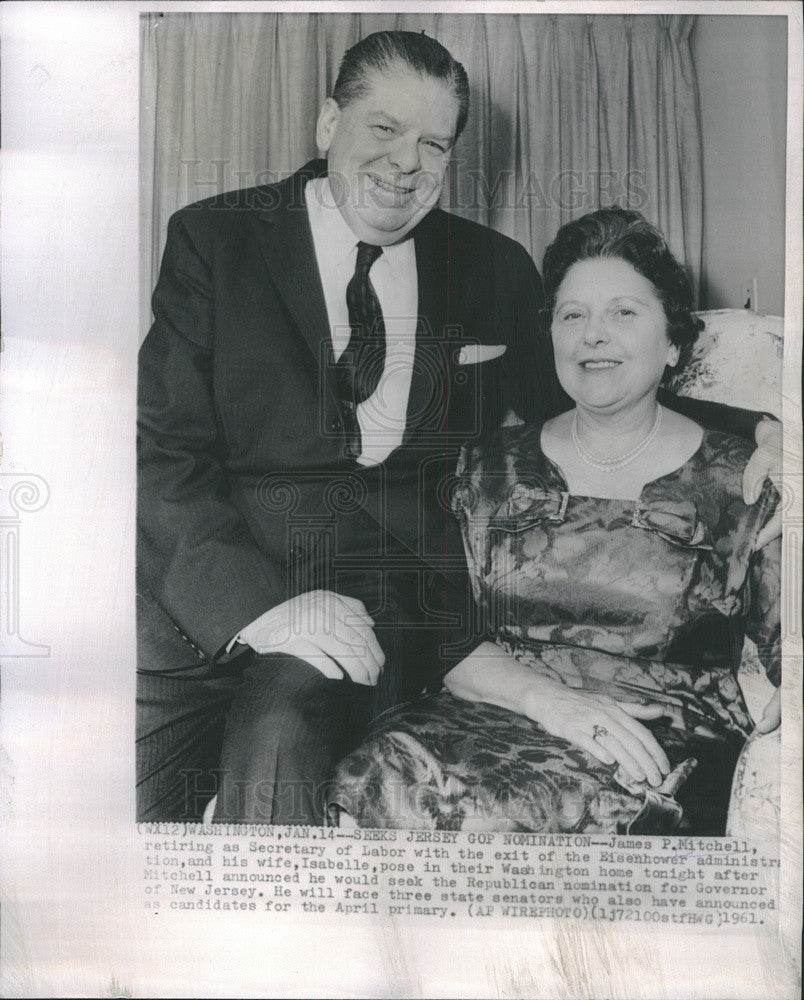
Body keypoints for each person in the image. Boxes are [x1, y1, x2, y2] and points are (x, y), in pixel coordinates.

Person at [137, 31, 780, 826]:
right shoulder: (216, 239)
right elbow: (163, 453)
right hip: (205, 597)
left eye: (434, 144)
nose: (407, 163)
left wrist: (757, 426)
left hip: (384, 601)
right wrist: (260, 610)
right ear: (327, 123)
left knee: (280, 733)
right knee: (94, 821)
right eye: (383, 129)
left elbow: (592, 382)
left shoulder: (490, 267)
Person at [327, 209, 781, 836]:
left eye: (624, 312)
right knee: (371, 776)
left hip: (650, 740)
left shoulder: (745, 480)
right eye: (573, 315)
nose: (594, 336)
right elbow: (441, 632)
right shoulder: (487, 465)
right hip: (494, 712)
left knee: (479, 814)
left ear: (673, 340)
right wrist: (556, 706)